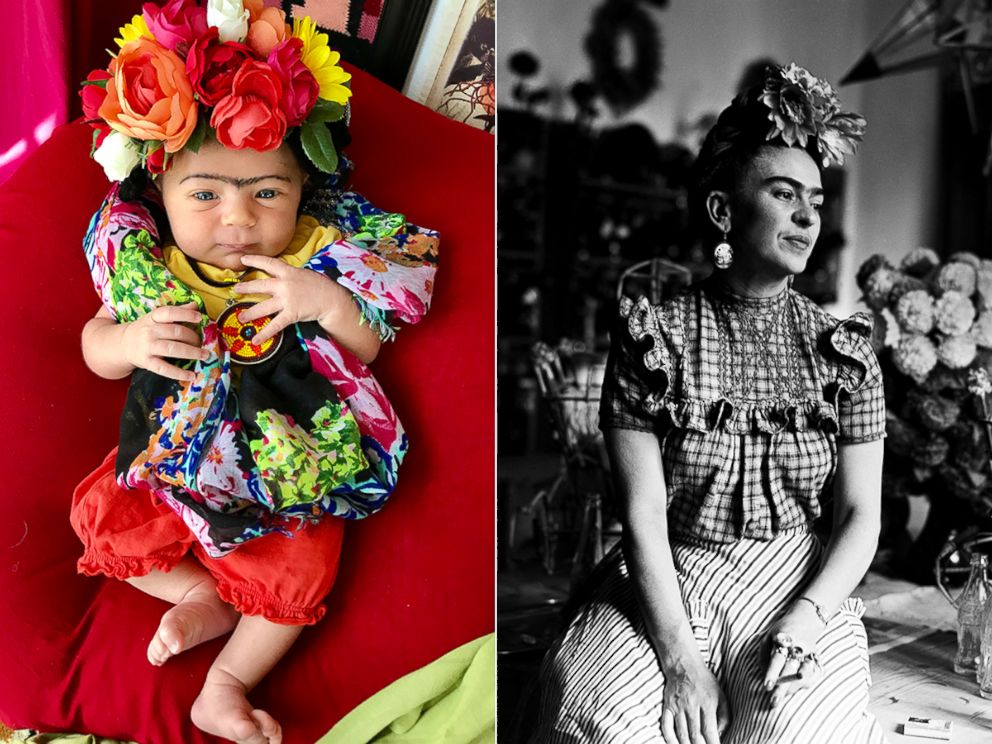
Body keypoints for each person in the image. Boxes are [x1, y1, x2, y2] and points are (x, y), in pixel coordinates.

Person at [70, 3, 437, 742]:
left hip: (285, 461)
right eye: (205, 194)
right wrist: (132, 341)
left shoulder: (313, 253)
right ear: (161, 193)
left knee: (303, 564)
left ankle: (227, 680)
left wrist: (324, 301)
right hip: (170, 455)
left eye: (267, 192)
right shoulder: (150, 269)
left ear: (302, 191)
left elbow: (365, 346)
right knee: (110, 524)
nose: (238, 219)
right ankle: (199, 595)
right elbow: (93, 345)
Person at [534, 63, 888, 743]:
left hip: (798, 577)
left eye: (814, 198)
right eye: (784, 194)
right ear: (724, 211)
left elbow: (862, 515)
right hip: (670, 569)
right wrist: (678, 659)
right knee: (607, 724)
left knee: (798, 734)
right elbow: (640, 511)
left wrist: (808, 616)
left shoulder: (846, 352)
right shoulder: (652, 338)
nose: (808, 215)